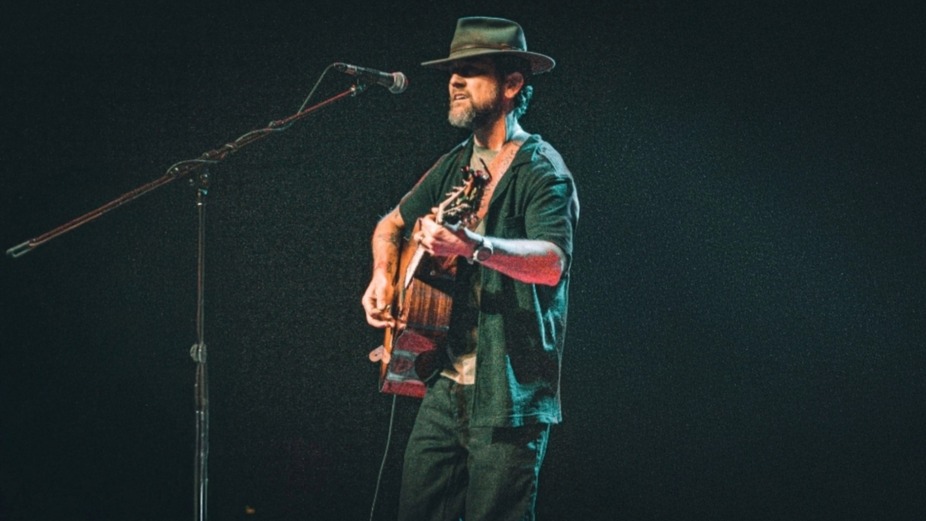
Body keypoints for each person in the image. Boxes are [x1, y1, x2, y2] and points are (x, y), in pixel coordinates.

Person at [361, 16, 579, 521]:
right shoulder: (455, 164)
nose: (454, 81)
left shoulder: (541, 170)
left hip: (507, 396)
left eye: (472, 71)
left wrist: (474, 246)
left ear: (512, 84)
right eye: (453, 72)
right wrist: (383, 277)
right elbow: (390, 225)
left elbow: (552, 263)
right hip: (444, 384)